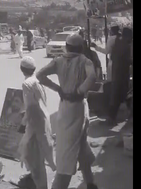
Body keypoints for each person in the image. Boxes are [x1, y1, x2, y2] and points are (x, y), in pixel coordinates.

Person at [35, 35, 98, 189]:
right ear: (81, 47)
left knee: (72, 145)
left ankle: (90, 183)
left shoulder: (58, 61)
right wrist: (79, 91)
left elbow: (40, 75)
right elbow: (93, 76)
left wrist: (58, 89)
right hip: (78, 107)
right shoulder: (85, 61)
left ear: (67, 47)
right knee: (70, 151)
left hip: (65, 107)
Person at [17, 56, 57, 189]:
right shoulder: (36, 81)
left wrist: (24, 124)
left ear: (21, 69)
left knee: (34, 161)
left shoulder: (27, 84)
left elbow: (31, 107)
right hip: (42, 122)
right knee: (36, 159)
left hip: (35, 125)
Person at [108, 27, 132, 125]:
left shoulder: (117, 43)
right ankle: (129, 118)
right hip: (122, 74)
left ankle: (111, 118)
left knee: (117, 96)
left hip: (116, 73)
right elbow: (128, 60)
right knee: (125, 94)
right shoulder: (126, 45)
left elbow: (112, 57)